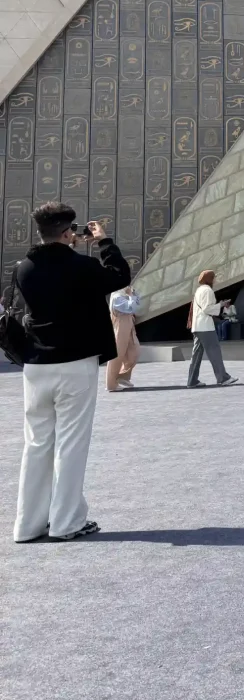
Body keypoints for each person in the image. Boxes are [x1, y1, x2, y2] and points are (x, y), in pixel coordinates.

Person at [13, 202, 131, 543]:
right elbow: (120, 276)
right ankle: (66, 522)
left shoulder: (23, 268)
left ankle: (28, 525)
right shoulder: (82, 266)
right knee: (71, 444)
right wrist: (104, 241)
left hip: (35, 366)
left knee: (36, 444)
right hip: (75, 363)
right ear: (68, 233)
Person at [187, 270, 238, 388]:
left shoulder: (199, 290)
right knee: (214, 351)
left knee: (196, 355)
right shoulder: (208, 291)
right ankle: (223, 378)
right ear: (209, 279)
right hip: (205, 327)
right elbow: (207, 309)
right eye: (214, 277)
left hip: (197, 326)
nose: (215, 280)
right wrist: (221, 305)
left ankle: (192, 380)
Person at [106, 285, 140, 391]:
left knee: (135, 351)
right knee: (118, 353)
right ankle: (111, 383)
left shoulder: (123, 295)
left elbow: (137, 303)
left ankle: (123, 376)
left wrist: (133, 295)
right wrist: (131, 296)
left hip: (128, 323)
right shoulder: (117, 297)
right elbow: (131, 307)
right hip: (121, 324)